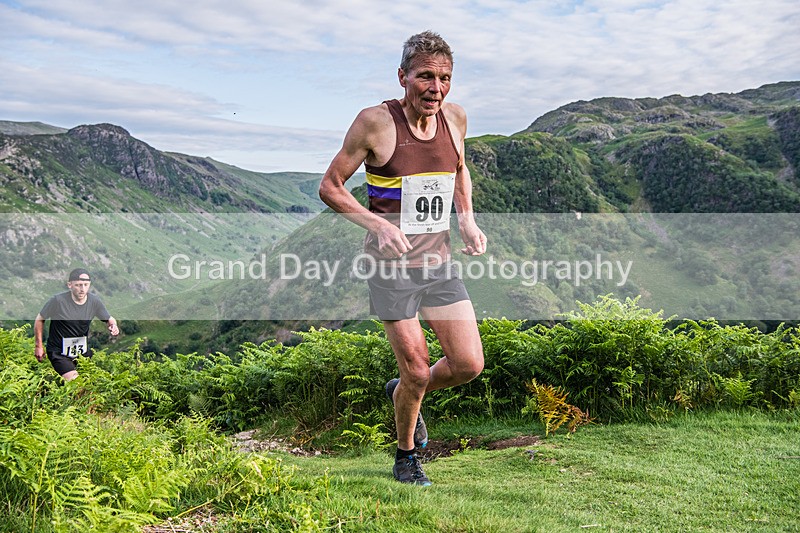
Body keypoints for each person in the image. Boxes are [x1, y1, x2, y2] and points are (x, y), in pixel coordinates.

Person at [319, 31, 486, 486]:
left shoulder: (456, 118)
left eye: (445, 78)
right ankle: (406, 456)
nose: (436, 88)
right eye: (425, 77)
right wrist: (377, 224)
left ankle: (404, 393)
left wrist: (467, 218)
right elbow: (330, 186)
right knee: (415, 366)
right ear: (403, 77)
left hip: (438, 264)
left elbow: (458, 169)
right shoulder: (375, 122)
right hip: (390, 268)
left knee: (469, 364)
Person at [34, 268, 119, 381]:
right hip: (59, 352)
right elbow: (39, 319)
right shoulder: (58, 301)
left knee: (95, 383)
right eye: (78, 285)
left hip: (82, 352)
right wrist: (38, 346)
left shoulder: (94, 301)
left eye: (85, 285)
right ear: (70, 285)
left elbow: (109, 319)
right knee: (78, 384)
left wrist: (113, 326)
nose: (82, 289)